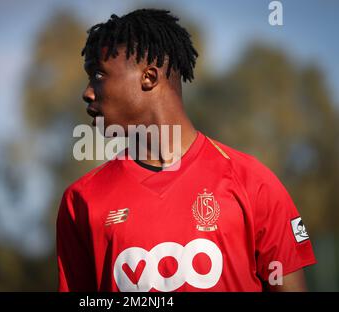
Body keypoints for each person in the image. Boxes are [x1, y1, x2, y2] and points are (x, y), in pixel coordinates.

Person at [56, 8, 316, 292]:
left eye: (98, 74)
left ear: (149, 77)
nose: (87, 91)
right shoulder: (81, 201)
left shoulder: (253, 183)